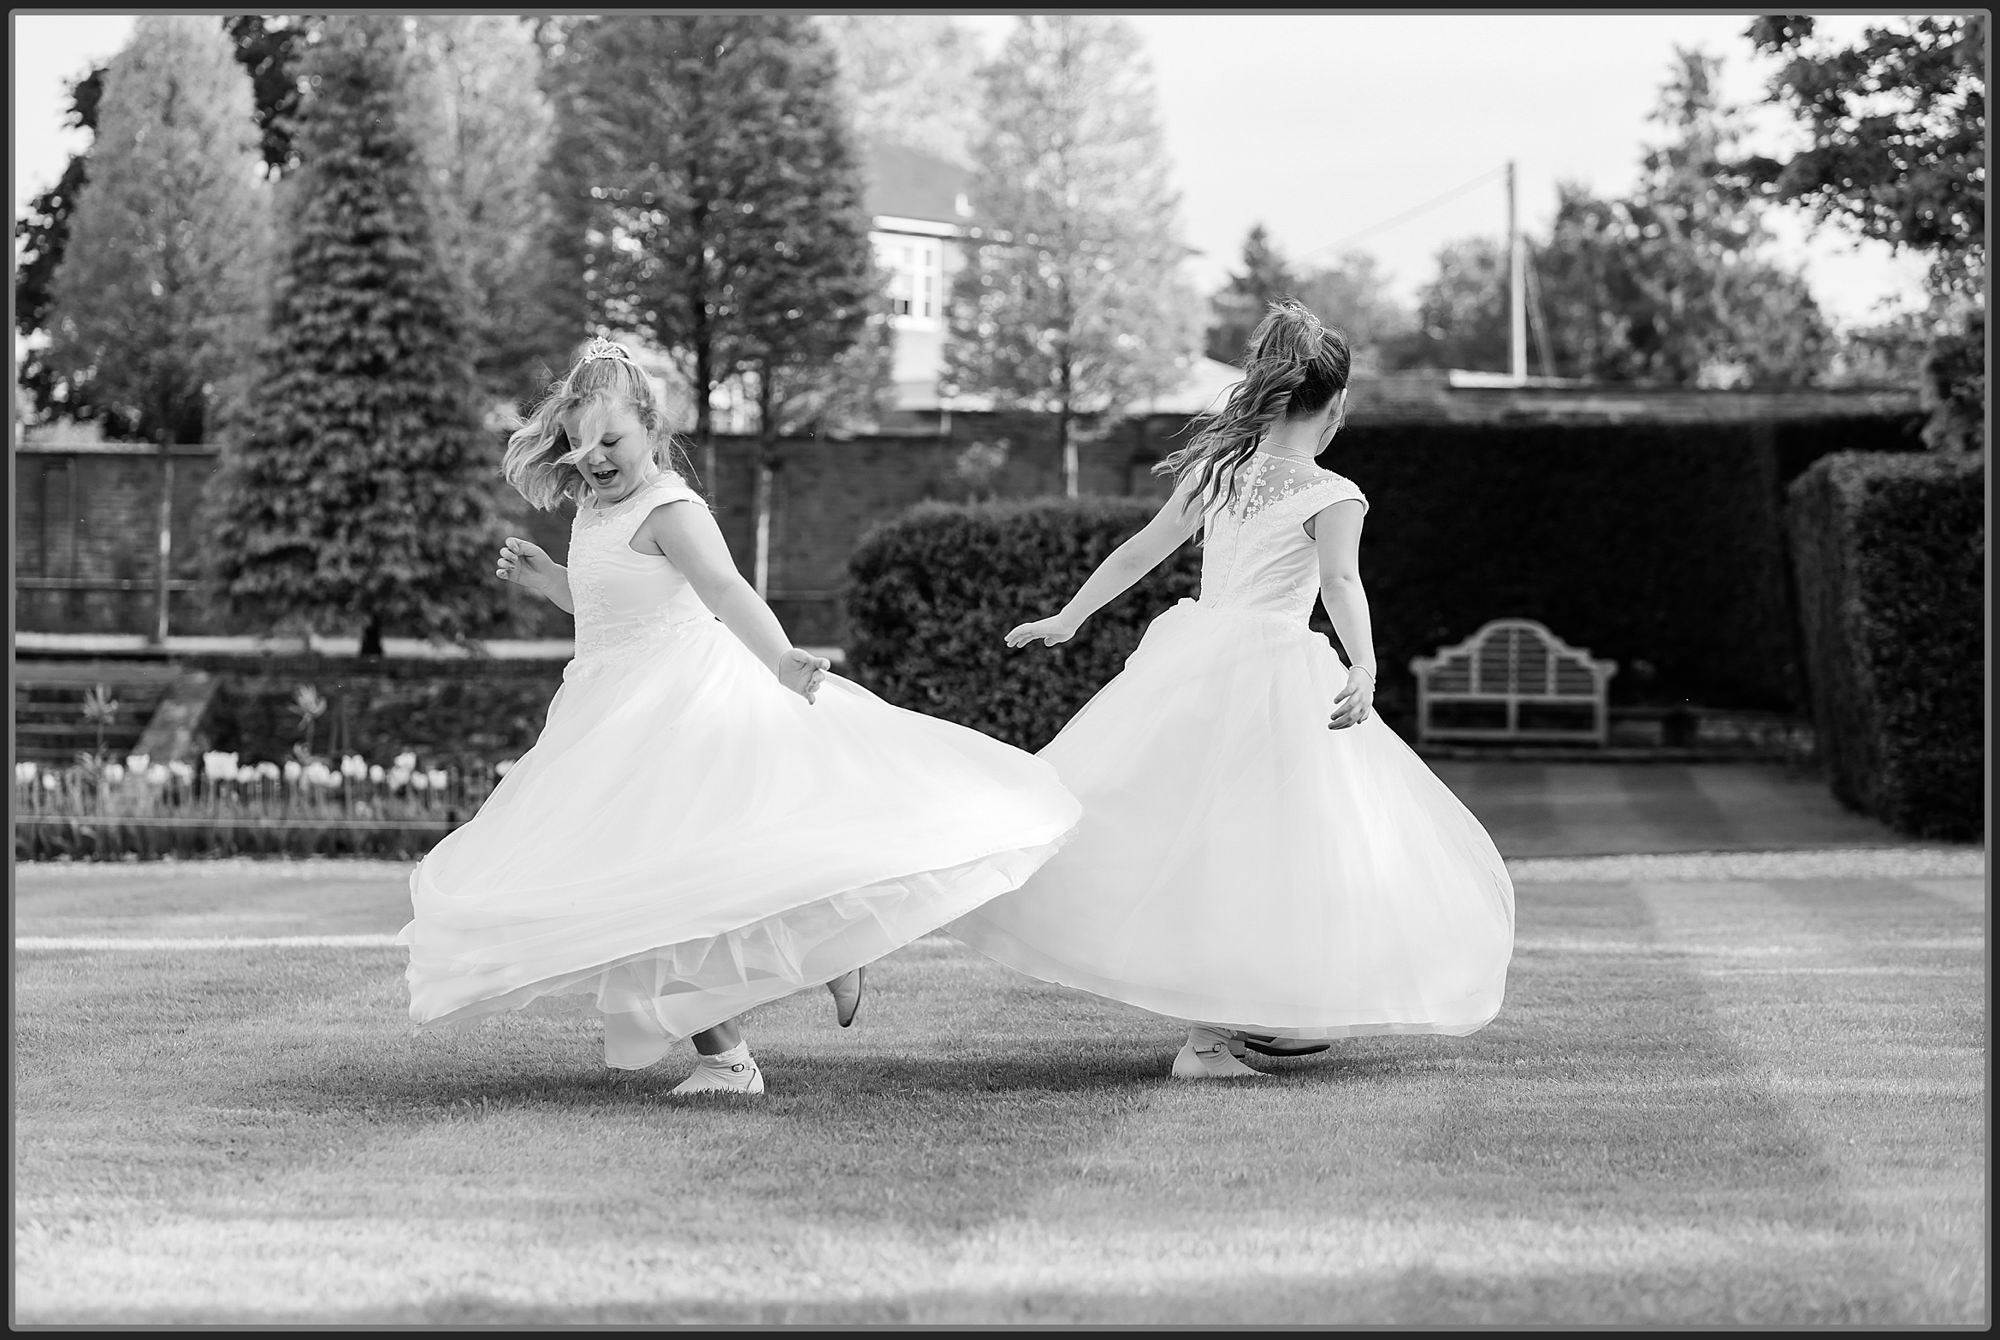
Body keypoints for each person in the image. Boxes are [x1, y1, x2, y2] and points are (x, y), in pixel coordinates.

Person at [397, 337, 1080, 1095]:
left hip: (682, 709)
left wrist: (783, 659)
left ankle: (753, 1035)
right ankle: (766, 1019)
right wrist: (550, 581)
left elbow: (726, 592)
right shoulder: (594, 509)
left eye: (611, 441)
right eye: (579, 444)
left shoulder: (672, 508)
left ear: (653, 430)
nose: (593, 460)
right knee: (651, 890)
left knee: (673, 882)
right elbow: (607, 610)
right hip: (610, 712)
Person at [948, 299, 1515, 1079]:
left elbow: (1142, 550)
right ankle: (1214, 1039)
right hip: (1274, 674)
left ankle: (1239, 1018)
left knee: (1206, 840)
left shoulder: (1220, 472)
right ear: (1336, 404)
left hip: (1197, 659)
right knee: (1265, 845)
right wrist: (1366, 664)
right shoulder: (1332, 493)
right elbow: (1342, 583)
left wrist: (1070, 616)